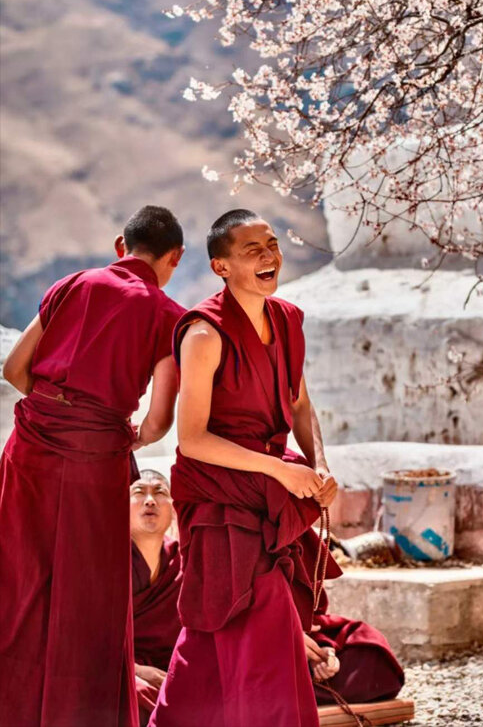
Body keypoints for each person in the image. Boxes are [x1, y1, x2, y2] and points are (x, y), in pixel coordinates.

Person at [149, 209, 342, 727]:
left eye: (272, 244)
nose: (268, 256)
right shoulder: (204, 334)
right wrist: (280, 472)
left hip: (269, 491)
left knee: (214, 640)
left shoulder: (288, 320)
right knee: (252, 616)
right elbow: (191, 440)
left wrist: (320, 465)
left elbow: (299, 403)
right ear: (221, 266)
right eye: (252, 250)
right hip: (219, 496)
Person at [0, 206, 186, 727]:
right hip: (97, 461)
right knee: (89, 596)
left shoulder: (72, 284)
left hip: (31, 448)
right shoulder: (167, 315)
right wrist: (118, 430)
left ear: (120, 246)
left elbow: (15, 370)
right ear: (175, 258)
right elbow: (158, 421)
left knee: (17, 582)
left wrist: (59, 408)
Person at [130, 470, 182, 727]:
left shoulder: (186, 562)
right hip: (116, 670)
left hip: (175, 671)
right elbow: (81, 639)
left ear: (173, 511)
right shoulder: (102, 561)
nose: (150, 500)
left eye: (160, 492)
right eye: (139, 492)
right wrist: (134, 670)